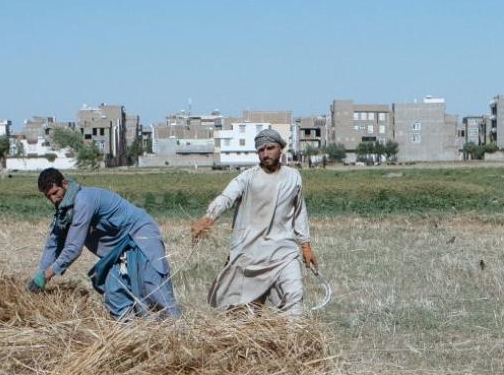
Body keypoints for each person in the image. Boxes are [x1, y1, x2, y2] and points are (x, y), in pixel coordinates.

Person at [191, 128, 317, 315]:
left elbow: (299, 212)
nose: (265, 153)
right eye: (261, 150)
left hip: (284, 253)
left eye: (270, 148)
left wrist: (305, 245)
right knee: (243, 312)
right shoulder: (247, 178)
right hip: (250, 253)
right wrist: (209, 217)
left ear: (280, 148)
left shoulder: (293, 177)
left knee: (294, 296)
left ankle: (293, 341)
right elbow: (227, 196)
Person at [31, 169, 179, 318]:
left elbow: (73, 248)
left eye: (55, 192)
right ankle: (132, 333)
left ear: (64, 184)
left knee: (153, 287)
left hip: (140, 235)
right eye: (48, 196)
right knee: (115, 292)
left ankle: (177, 328)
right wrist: (39, 274)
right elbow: (54, 242)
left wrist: (47, 275)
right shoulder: (64, 211)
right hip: (120, 249)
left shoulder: (83, 200)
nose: (53, 199)